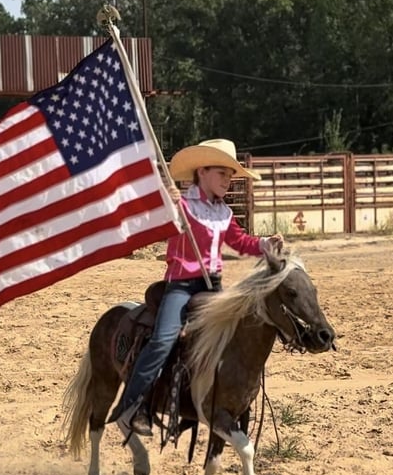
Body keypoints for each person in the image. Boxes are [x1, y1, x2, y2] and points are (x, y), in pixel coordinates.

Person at [107, 138, 283, 436]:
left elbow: (240, 241)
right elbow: (155, 223)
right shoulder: (182, 206)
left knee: (235, 336)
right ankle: (134, 405)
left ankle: (221, 399)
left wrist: (266, 243)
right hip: (181, 286)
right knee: (163, 340)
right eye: (222, 173)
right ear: (202, 172)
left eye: (230, 175)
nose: (227, 180)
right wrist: (167, 204)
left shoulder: (223, 212)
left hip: (213, 288)